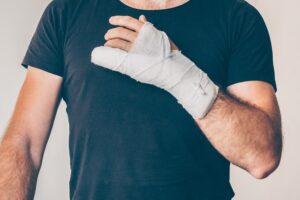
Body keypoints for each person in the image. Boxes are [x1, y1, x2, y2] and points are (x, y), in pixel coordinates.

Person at [0, 0, 282, 199]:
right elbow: (23, 143)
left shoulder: (237, 18)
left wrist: (182, 76)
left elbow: (261, 157)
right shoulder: (66, 13)